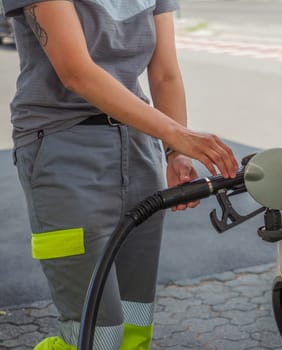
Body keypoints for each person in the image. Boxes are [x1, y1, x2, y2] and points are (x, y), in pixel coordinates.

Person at [3, 0, 238, 349]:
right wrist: (175, 134)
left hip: (139, 145)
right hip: (62, 150)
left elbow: (165, 72)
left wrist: (174, 152)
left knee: (135, 318)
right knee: (96, 334)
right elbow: (76, 71)